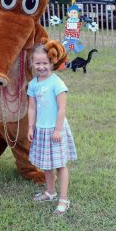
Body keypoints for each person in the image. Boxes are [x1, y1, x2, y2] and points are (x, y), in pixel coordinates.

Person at [27, 44, 77, 215]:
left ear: (52, 63)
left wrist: (57, 130)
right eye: (38, 63)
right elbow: (32, 108)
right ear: (32, 63)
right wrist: (30, 127)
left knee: (60, 165)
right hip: (41, 129)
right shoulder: (33, 84)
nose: (41, 67)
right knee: (47, 165)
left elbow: (62, 108)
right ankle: (50, 192)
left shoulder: (57, 82)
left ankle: (63, 199)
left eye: (45, 63)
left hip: (56, 130)